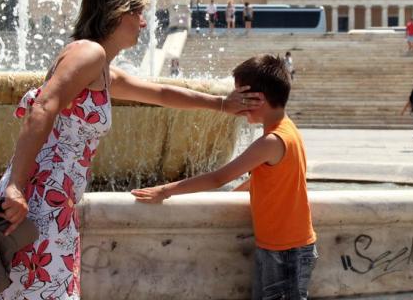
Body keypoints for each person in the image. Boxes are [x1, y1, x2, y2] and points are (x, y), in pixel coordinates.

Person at [0, 0, 263, 300]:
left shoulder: (101, 68)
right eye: (139, 12)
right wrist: (16, 186)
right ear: (119, 14)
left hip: (54, 198)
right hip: (38, 196)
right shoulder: (88, 54)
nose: (144, 22)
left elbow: (161, 93)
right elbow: (42, 108)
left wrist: (221, 104)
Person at [131, 54, 318, 300]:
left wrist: (164, 191)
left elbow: (218, 178)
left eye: (239, 96)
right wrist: (232, 196)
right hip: (282, 246)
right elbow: (270, 179)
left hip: (286, 250)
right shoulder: (287, 129)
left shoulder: (271, 141)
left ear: (257, 99)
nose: (234, 104)